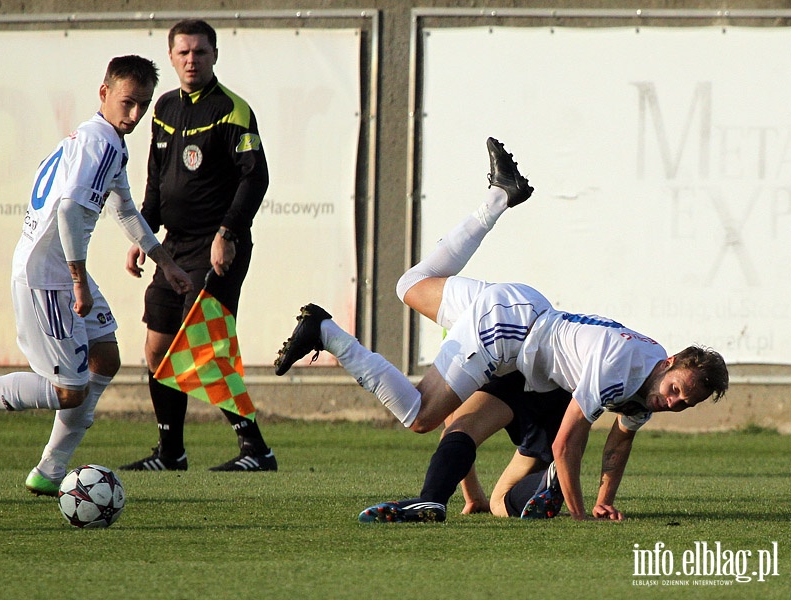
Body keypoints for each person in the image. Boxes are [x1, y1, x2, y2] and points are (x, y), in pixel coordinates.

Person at [274, 136, 729, 521]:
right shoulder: (622, 367)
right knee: (420, 416)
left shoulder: (650, 377)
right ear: (669, 363)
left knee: (409, 285)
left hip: (523, 307)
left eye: (682, 403)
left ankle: (499, 196)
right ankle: (328, 334)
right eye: (675, 390)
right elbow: (570, 441)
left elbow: (618, 444)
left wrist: (605, 501)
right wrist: (580, 514)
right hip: (507, 331)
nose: (672, 402)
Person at [0, 56, 193, 497]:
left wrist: (164, 261)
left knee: (105, 358)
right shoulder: (100, 144)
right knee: (70, 391)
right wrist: (79, 282)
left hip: (58, 272)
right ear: (103, 93)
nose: (135, 115)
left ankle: (51, 470)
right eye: (128, 103)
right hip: (49, 278)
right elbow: (68, 210)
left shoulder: (102, 140)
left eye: (143, 106)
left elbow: (122, 207)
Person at [120, 19, 274, 473]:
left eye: (200, 53)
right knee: (157, 347)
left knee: (205, 344)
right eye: (183, 53)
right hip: (174, 246)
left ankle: (256, 451)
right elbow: (155, 181)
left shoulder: (232, 110)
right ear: (170, 57)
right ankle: (171, 454)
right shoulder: (164, 106)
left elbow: (255, 177)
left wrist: (227, 233)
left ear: (214, 56)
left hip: (218, 246)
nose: (192, 60)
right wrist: (142, 236)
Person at [357, 373, 571, 523]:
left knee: (463, 432)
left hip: (506, 378)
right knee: (526, 477)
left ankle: (431, 499)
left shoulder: (463, 335)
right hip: (554, 386)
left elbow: (451, 426)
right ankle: (544, 480)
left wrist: (472, 498)